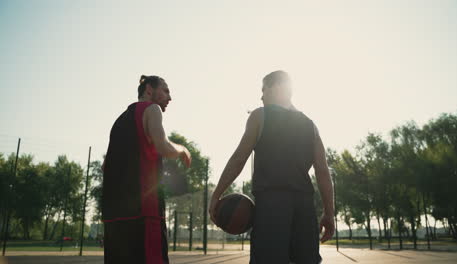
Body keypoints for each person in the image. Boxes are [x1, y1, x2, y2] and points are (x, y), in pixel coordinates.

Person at [209, 71, 334, 264]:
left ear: (277, 87)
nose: (261, 96)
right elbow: (323, 172)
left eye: (263, 89)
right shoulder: (310, 125)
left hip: (272, 205)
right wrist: (328, 213)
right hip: (305, 207)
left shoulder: (260, 116)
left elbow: (239, 158)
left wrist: (216, 194)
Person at [102, 75, 191, 264]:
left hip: (113, 217)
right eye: (165, 90)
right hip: (144, 213)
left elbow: (105, 166)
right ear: (149, 89)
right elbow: (163, 146)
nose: (170, 97)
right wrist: (182, 150)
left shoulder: (118, 122)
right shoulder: (152, 109)